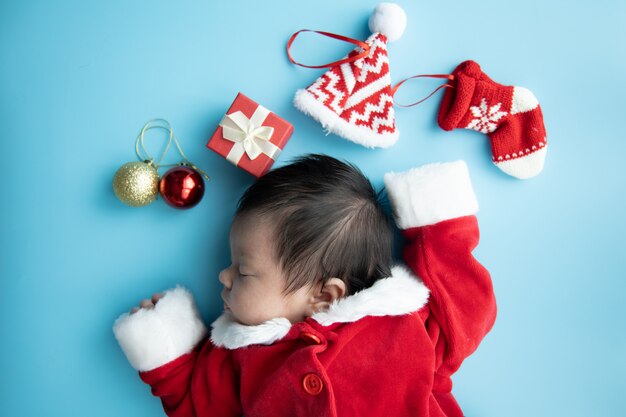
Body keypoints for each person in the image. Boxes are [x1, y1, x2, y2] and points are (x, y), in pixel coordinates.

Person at [113, 154, 496, 417]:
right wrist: (168, 349)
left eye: (243, 271)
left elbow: (463, 309)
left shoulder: (399, 325)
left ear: (324, 296)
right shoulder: (241, 360)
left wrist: (440, 228)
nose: (223, 277)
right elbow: (200, 405)